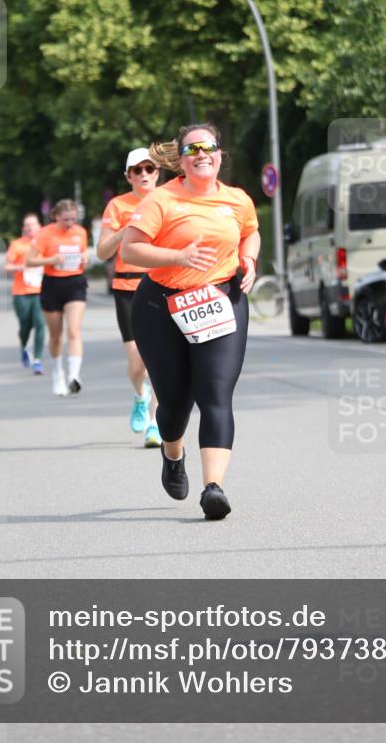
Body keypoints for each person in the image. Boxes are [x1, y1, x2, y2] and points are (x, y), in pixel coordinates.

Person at [121, 123, 260, 520]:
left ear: (219, 154)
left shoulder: (237, 200)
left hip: (221, 301)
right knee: (175, 404)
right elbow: (132, 250)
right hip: (160, 307)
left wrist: (248, 259)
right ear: (180, 159)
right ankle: (172, 452)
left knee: (215, 394)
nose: (202, 153)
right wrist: (178, 258)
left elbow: (251, 233)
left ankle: (213, 487)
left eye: (209, 146)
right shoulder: (161, 200)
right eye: (192, 148)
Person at [97, 148, 161, 447]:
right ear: (129, 176)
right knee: (137, 362)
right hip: (127, 288)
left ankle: (155, 423)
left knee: (161, 360)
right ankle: (140, 395)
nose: (144, 175)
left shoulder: (169, 201)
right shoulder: (117, 205)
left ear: (157, 173)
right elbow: (102, 252)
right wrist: (126, 231)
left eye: (149, 169)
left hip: (162, 285)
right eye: (137, 170)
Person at [26, 199, 88, 396]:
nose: (69, 223)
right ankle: (58, 373)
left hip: (75, 283)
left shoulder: (80, 232)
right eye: (65, 220)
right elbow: (29, 260)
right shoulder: (45, 234)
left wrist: (84, 258)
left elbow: (82, 253)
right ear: (56, 217)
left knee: (73, 331)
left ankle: (74, 376)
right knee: (55, 336)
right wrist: (51, 260)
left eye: (73, 219)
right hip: (52, 285)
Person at [5, 214, 45, 374]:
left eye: (33, 225)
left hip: (41, 291)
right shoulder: (17, 245)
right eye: (27, 226)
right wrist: (21, 267)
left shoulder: (44, 244)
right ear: (23, 228)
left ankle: (37, 360)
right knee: (25, 326)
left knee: (40, 324)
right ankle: (24, 346)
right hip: (21, 292)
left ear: (39, 227)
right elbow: (7, 266)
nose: (30, 228)